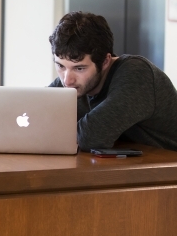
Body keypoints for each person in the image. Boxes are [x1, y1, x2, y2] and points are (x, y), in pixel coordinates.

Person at [48, 11, 177, 152]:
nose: (67, 80)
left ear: (105, 61)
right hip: (131, 168)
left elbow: (91, 137)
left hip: (168, 168)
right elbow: (37, 115)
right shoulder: (73, 82)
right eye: (60, 66)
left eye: (79, 68)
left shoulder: (137, 74)